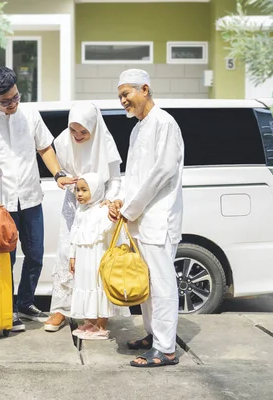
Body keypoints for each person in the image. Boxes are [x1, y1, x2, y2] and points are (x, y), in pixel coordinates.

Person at [0, 67, 73, 332]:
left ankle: (26, 303)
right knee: (4, 259)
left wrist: (58, 174)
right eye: (6, 101)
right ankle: (6, 309)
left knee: (35, 254)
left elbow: (44, 147)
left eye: (15, 97)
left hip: (30, 197)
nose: (13, 104)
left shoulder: (29, 113)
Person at [108, 69, 184, 367]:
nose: (123, 101)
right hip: (139, 218)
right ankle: (154, 336)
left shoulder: (165, 123)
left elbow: (162, 173)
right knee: (148, 284)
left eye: (126, 94)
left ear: (145, 90)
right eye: (120, 96)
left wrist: (129, 209)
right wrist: (120, 201)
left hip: (159, 218)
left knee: (163, 284)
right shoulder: (139, 128)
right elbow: (134, 176)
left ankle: (166, 349)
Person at [44, 102, 123, 332]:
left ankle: (97, 313)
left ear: (94, 128)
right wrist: (72, 184)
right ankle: (61, 309)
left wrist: (109, 199)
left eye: (84, 132)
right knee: (66, 253)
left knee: (95, 260)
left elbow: (115, 179)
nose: (77, 136)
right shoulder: (62, 141)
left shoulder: (105, 143)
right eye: (73, 130)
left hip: (99, 208)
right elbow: (63, 174)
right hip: (74, 202)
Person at [68, 173, 131, 340]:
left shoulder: (102, 210)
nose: (79, 194)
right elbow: (74, 235)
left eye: (84, 190)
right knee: (86, 285)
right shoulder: (80, 211)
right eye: (77, 190)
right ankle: (91, 320)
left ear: (95, 191)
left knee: (99, 287)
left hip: (97, 258)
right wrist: (72, 256)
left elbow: (111, 228)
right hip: (83, 259)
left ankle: (101, 324)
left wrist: (112, 210)